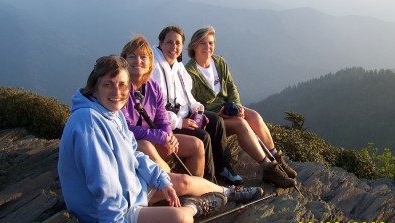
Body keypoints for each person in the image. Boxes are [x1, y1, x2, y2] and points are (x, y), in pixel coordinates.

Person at [58, 55, 262, 223]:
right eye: (108, 85)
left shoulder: (112, 113)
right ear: (94, 87)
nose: (117, 91)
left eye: (122, 85)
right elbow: (102, 183)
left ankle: (229, 193)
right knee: (182, 219)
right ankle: (195, 206)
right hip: (103, 215)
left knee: (182, 182)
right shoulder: (89, 122)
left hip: (128, 189)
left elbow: (134, 154)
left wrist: (161, 181)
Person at [185, 26, 297, 189]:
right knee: (241, 124)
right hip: (212, 119)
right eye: (203, 43)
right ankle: (267, 168)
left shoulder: (219, 62)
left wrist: (237, 105)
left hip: (228, 109)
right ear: (194, 45)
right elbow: (192, 103)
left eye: (210, 43)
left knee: (255, 116)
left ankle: (276, 159)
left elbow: (231, 87)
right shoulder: (190, 72)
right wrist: (219, 113)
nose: (207, 47)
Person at [151, 25, 244, 185]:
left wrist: (197, 107)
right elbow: (154, 109)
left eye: (178, 43)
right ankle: (208, 182)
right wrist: (180, 122)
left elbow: (187, 94)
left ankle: (223, 167)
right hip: (168, 123)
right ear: (160, 43)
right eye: (169, 42)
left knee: (216, 122)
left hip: (184, 114)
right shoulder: (155, 69)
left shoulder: (177, 66)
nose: (174, 47)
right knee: (204, 137)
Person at [121, 34, 212, 180]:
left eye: (143, 57)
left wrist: (169, 137)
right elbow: (126, 128)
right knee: (161, 164)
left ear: (150, 62)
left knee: (197, 145)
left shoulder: (153, 87)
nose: (138, 61)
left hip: (152, 139)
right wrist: (161, 137)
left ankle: (193, 192)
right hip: (131, 144)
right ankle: (176, 188)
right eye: (132, 57)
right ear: (124, 61)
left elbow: (162, 119)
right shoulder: (120, 88)